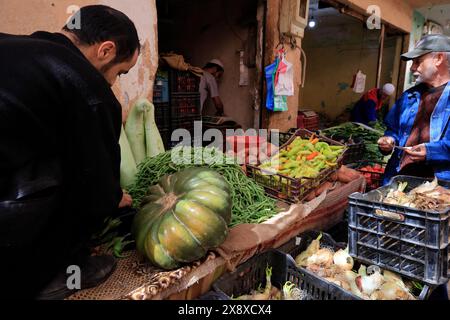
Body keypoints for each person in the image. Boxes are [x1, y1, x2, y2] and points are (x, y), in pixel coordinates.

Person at [0, 5, 140, 299]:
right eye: (120, 72)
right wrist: (113, 197)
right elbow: (96, 187)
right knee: (81, 197)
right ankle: (52, 273)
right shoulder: (87, 86)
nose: (114, 82)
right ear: (106, 50)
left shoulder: (13, 46)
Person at [378, 34, 450, 301]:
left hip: (437, 192)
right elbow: (393, 130)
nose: (413, 68)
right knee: (391, 246)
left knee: (431, 256)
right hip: (399, 186)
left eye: (418, 61)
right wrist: (388, 141)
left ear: (439, 58)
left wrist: (430, 151)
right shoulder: (409, 97)